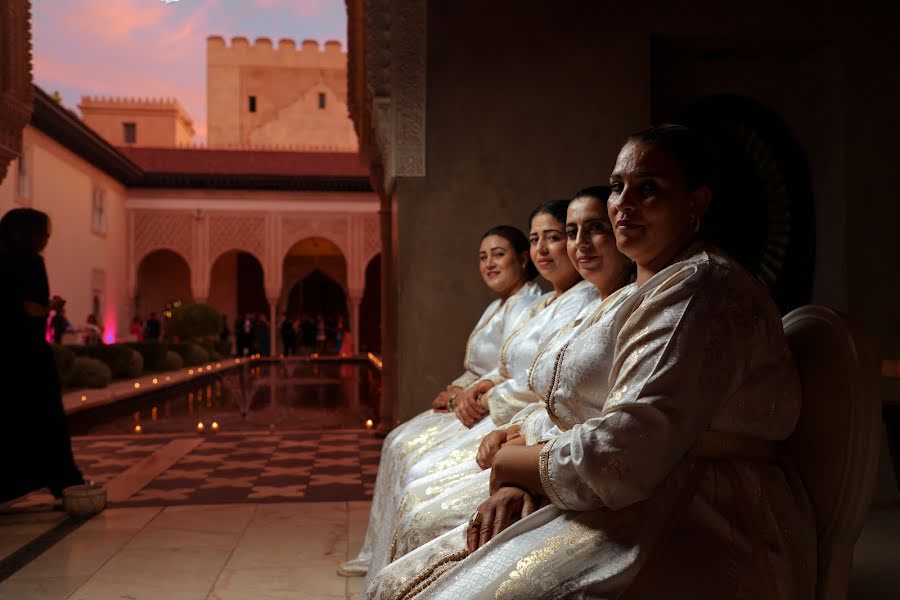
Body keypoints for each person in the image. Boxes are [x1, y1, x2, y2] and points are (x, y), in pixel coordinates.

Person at [365, 126, 816, 599]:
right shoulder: (645, 289)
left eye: (649, 188)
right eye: (618, 186)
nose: (623, 202)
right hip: (629, 486)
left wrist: (514, 465)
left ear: (696, 202)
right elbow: (574, 407)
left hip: (697, 515)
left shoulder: (698, 291)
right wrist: (520, 463)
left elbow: (625, 450)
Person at [357, 198, 631, 587]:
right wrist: (473, 392)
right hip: (528, 431)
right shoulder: (554, 306)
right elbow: (526, 376)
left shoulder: (595, 302)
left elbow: (578, 402)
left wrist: (501, 419)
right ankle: (376, 559)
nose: (559, 246)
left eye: (554, 237)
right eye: (567, 233)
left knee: (422, 501)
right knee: (403, 449)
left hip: (554, 448)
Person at [338, 224, 543, 577]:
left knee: (415, 464)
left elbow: (507, 371)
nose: (489, 263)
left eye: (499, 254)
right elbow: (480, 368)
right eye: (483, 256)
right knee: (396, 442)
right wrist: (454, 388)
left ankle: (402, 570)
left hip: (491, 408)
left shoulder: (528, 304)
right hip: (474, 397)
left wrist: (463, 396)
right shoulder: (498, 305)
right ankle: (379, 557)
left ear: (522, 259)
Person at [0, 208, 86, 502]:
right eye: (41, 233)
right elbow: (25, 308)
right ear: (22, 234)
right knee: (46, 420)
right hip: (27, 356)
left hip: (6, 355)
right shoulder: (30, 263)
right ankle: (63, 480)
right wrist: (51, 309)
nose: (45, 239)